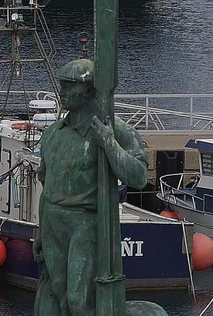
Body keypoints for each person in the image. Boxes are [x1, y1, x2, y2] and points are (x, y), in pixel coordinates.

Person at [35, 58, 152, 316]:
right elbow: (47, 185)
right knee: (59, 295)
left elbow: (139, 177)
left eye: (69, 86)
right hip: (53, 221)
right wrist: (40, 232)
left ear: (88, 90)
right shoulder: (53, 133)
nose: (62, 92)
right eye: (61, 85)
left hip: (85, 223)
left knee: (79, 301)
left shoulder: (116, 130)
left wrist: (109, 144)